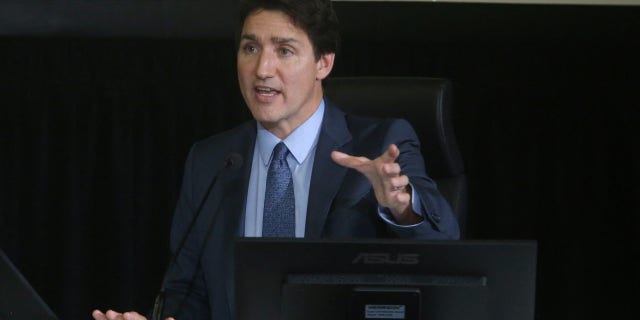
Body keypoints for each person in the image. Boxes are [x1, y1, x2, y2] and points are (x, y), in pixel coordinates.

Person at [92, 0, 459, 319]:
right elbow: (185, 291)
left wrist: (401, 207)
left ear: (323, 63)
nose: (262, 69)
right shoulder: (212, 160)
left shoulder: (380, 144)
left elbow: (444, 256)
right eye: (250, 48)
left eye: (284, 50)